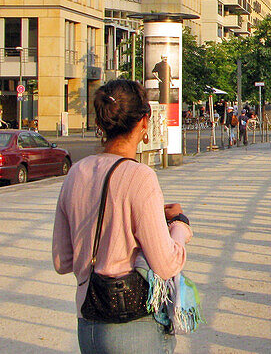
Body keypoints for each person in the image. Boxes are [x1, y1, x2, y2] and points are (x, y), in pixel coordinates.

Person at [52, 78, 193, 353]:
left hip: (88, 322)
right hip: (132, 326)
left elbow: (62, 260)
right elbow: (166, 265)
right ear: (144, 121)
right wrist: (179, 226)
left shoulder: (75, 173)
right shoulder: (140, 176)